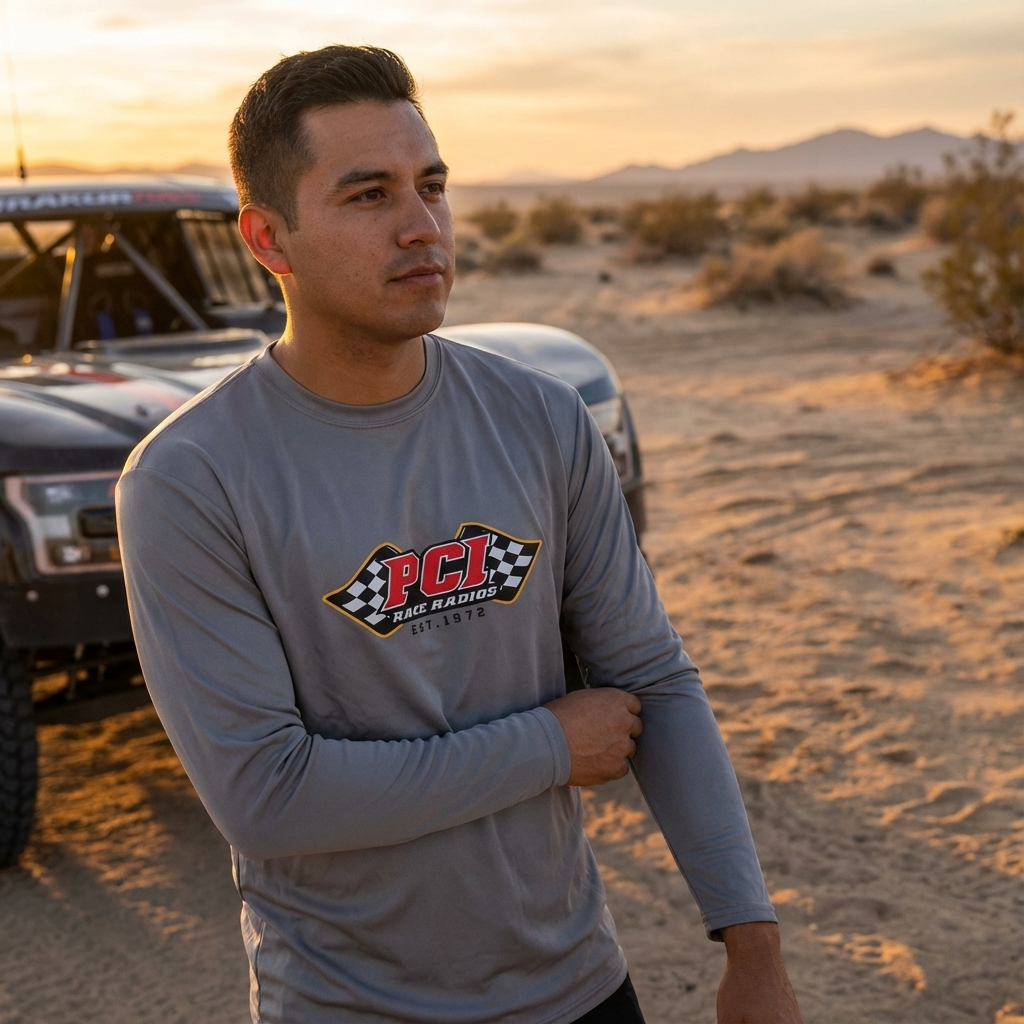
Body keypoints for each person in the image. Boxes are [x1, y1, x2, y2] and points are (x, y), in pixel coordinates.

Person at [116, 45, 803, 1024]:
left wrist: (753, 946)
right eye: (368, 196)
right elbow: (270, 795)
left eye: (431, 186)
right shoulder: (191, 477)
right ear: (270, 239)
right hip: (349, 1005)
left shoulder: (541, 417)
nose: (422, 226)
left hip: (579, 987)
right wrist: (549, 745)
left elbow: (651, 677)